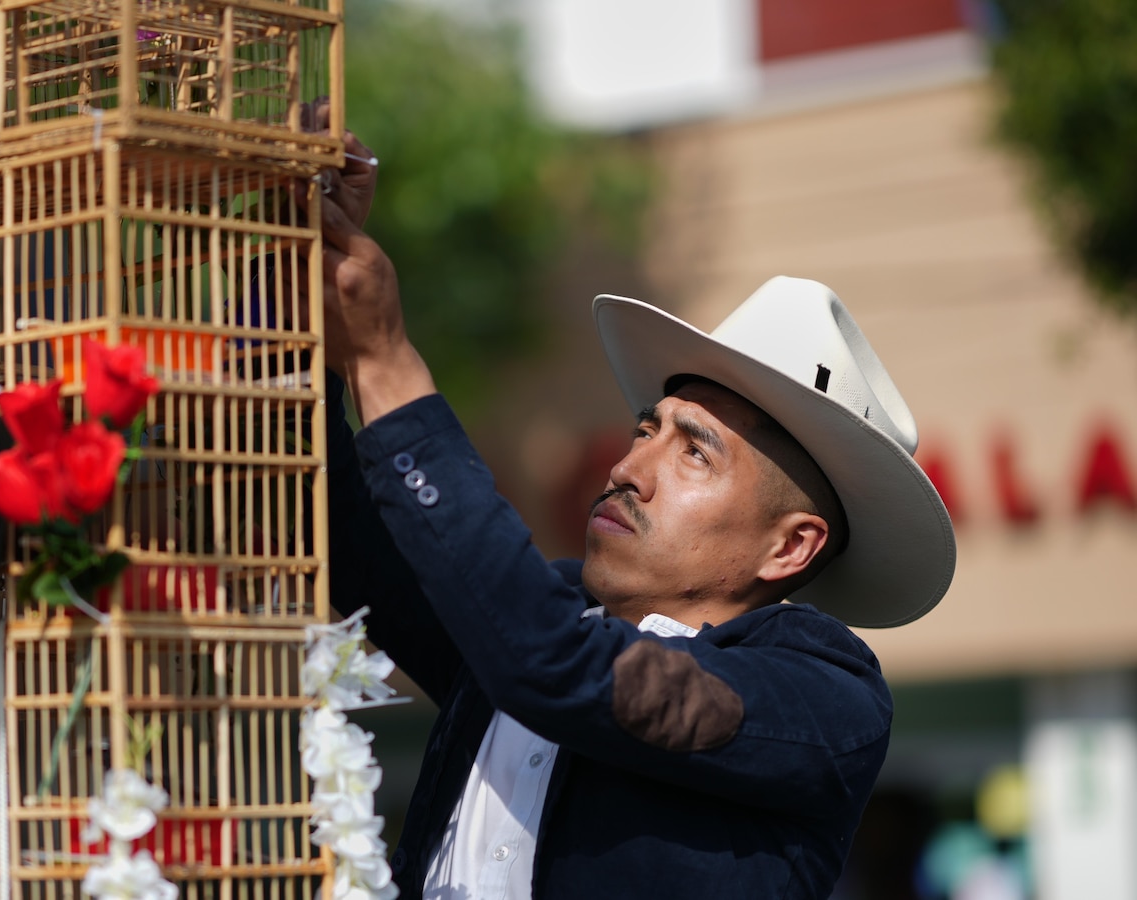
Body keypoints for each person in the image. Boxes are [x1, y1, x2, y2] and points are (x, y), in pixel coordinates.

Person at [307, 135, 956, 898]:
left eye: (695, 453)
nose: (627, 469)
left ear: (789, 548)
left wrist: (385, 364)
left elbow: (550, 661)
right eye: (646, 430)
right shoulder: (533, 618)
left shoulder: (823, 695)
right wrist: (295, 272)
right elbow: (328, 515)